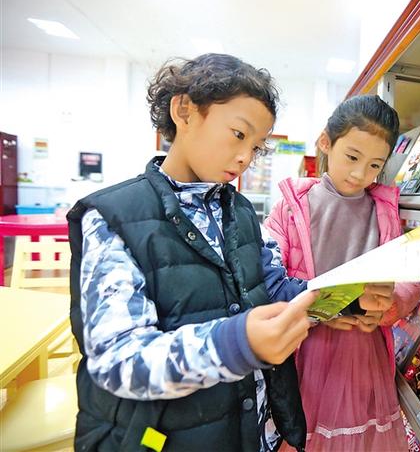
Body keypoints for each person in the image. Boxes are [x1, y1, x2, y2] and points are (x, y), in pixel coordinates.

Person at [67, 53, 316, 451]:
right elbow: (117, 358)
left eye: (256, 147)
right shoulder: (114, 216)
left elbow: (271, 287)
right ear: (184, 110)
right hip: (164, 438)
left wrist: (346, 297)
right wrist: (235, 344)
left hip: (249, 432)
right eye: (238, 134)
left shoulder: (240, 211)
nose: (245, 157)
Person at [264, 95, 420, 450]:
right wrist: (325, 308)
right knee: (304, 435)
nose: (360, 174)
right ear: (326, 142)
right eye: (352, 157)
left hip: (365, 353)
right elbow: (270, 284)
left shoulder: (385, 210)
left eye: (374, 165)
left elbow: (411, 279)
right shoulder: (289, 209)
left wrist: (389, 304)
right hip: (306, 351)